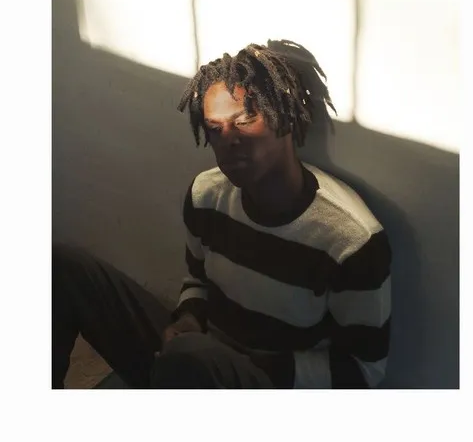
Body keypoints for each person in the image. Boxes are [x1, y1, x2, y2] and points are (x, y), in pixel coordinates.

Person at [52, 39, 391, 389]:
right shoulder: (207, 194)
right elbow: (197, 281)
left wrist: (251, 367)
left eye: (244, 120)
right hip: (198, 357)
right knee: (63, 269)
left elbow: (364, 370)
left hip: (268, 384)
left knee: (190, 357)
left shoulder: (351, 239)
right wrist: (189, 316)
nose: (229, 140)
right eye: (215, 129)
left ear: (285, 118)